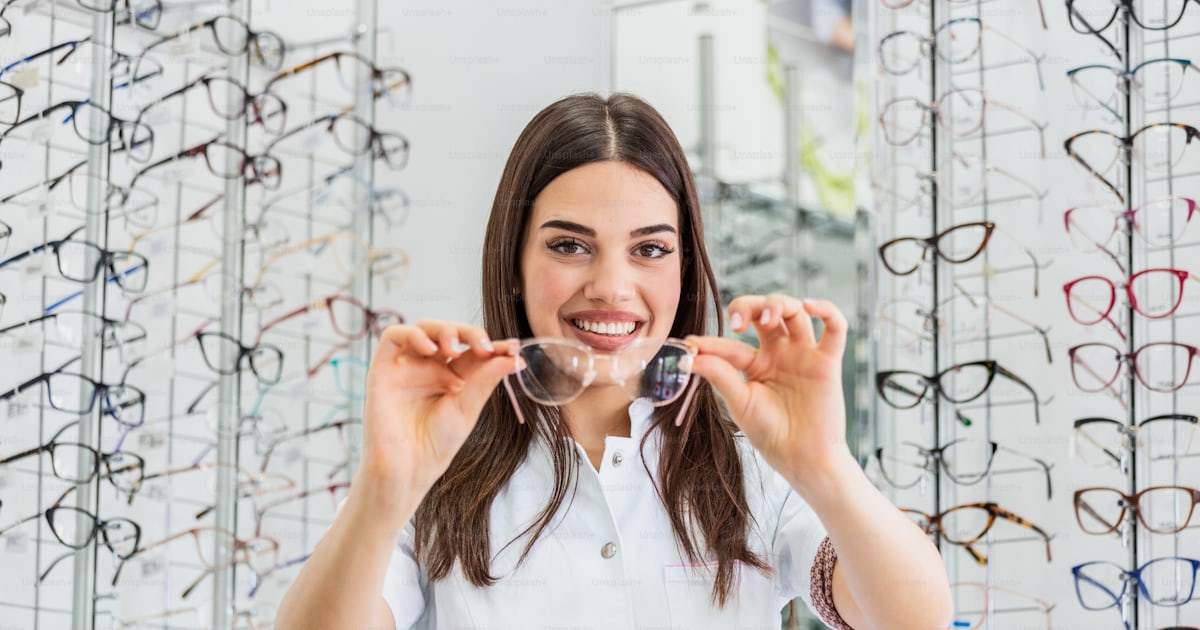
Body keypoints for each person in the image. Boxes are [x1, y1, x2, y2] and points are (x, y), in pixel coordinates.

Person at [274, 93, 951, 629]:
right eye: (569, 246)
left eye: (650, 249)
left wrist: (823, 463)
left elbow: (914, 620)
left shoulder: (749, 477)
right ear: (514, 262)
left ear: (686, 269)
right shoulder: (436, 483)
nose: (611, 285)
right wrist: (386, 483)